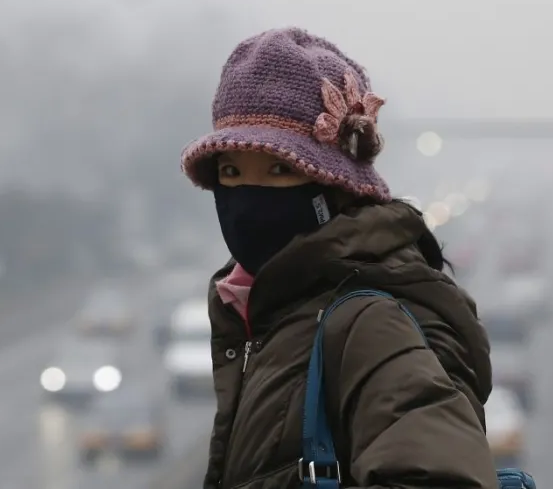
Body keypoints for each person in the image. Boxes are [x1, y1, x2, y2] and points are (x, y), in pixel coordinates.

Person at [181, 27, 499, 489]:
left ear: (333, 187)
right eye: (230, 171)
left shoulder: (366, 324)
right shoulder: (274, 311)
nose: (247, 199)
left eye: (279, 169)